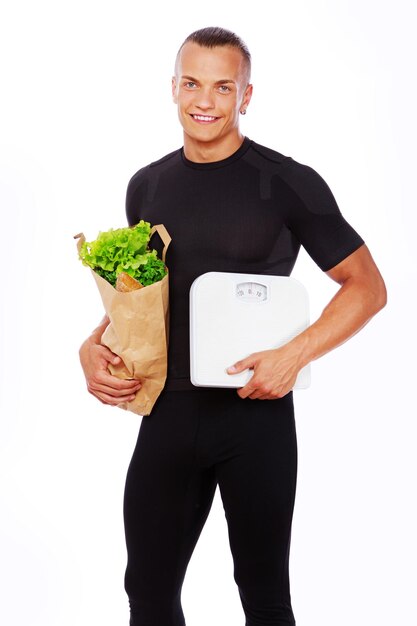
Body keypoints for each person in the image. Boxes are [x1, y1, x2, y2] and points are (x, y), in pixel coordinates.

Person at [79, 26, 387, 626]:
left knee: (265, 598)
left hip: (257, 418)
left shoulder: (287, 183)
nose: (205, 100)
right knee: (146, 590)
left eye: (224, 87)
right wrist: (92, 346)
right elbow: (141, 293)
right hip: (167, 414)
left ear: (245, 96)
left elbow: (368, 288)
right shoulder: (147, 186)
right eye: (192, 83)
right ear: (172, 88)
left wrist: (294, 355)